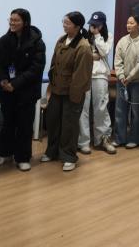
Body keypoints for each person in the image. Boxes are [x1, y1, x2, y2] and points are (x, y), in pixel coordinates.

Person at [0, 9, 46, 172]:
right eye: (11, 19)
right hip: (7, 91)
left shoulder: (37, 43)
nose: (12, 23)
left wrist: (15, 83)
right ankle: (5, 154)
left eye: (16, 20)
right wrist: (3, 79)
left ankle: (23, 158)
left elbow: (36, 69)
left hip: (27, 92)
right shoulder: (4, 41)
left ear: (26, 22)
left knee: (24, 126)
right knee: (7, 124)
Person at [41, 12, 93, 172]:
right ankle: (52, 152)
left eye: (68, 23)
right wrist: (51, 87)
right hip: (57, 90)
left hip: (72, 93)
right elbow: (53, 64)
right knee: (53, 122)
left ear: (77, 27)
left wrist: (74, 96)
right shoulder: (62, 40)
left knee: (69, 125)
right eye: (64, 21)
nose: (64, 25)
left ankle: (69, 156)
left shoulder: (83, 47)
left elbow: (80, 76)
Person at [78, 11, 115, 155]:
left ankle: (102, 139)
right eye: (92, 25)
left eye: (97, 25)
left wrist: (98, 35)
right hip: (85, 74)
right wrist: (91, 55)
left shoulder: (108, 36)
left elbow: (104, 52)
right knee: (83, 107)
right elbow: (79, 53)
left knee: (101, 107)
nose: (93, 27)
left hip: (100, 75)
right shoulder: (83, 36)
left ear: (102, 25)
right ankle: (83, 142)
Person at [113, 15, 139, 149]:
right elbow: (117, 60)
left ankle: (135, 139)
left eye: (132, 23)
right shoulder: (122, 40)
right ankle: (119, 138)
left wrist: (129, 77)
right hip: (122, 81)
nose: (128, 25)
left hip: (137, 81)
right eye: (127, 23)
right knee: (120, 110)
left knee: (137, 112)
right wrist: (121, 75)